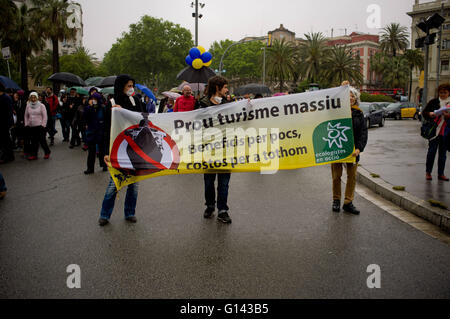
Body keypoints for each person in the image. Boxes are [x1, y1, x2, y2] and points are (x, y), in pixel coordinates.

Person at [98, 74, 144, 227]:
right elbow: (105, 130)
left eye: (132, 85)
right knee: (114, 183)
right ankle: (105, 214)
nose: (131, 89)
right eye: (128, 86)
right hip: (118, 149)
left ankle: (130, 212)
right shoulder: (111, 103)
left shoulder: (136, 101)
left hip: (134, 148)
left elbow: (144, 120)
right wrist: (105, 151)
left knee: (134, 184)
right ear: (121, 86)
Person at [199, 75, 232, 224]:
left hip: (226, 149)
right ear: (217, 88)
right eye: (225, 87)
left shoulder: (229, 105)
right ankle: (210, 206)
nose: (227, 90)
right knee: (209, 181)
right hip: (209, 150)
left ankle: (223, 210)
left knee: (224, 183)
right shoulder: (202, 104)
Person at [331, 86, 368, 215]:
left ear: (356, 99)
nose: (350, 98)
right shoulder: (337, 110)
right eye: (348, 96)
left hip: (353, 151)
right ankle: (336, 200)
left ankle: (348, 202)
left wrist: (359, 148)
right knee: (336, 176)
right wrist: (342, 87)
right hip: (338, 148)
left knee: (351, 177)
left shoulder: (359, 113)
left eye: (352, 96)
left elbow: (363, 132)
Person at [423, 83, 450, 181]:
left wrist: (448, 116)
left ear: (449, 93)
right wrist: (430, 114)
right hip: (434, 132)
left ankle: (441, 174)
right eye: (441, 92)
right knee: (431, 152)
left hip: (446, 132)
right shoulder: (433, 102)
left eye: (445, 92)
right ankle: (428, 173)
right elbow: (424, 113)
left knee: (443, 154)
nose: (442, 94)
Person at [83, 93, 107, 175]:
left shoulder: (103, 108)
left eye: (95, 99)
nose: (93, 101)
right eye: (92, 99)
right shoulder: (89, 108)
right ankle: (90, 168)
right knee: (91, 151)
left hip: (101, 132)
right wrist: (89, 107)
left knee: (102, 150)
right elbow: (85, 117)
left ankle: (104, 165)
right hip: (92, 132)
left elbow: (106, 119)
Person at [24, 92, 51, 160]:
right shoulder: (28, 106)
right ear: (30, 98)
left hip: (40, 126)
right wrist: (26, 124)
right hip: (31, 126)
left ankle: (47, 152)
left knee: (42, 141)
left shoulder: (41, 105)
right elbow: (26, 116)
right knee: (33, 141)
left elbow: (45, 116)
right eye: (32, 97)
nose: (33, 99)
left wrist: (43, 125)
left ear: (37, 98)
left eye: (34, 97)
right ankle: (34, 155)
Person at [0, 82, 15, 164]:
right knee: (4, 140)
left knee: (5, 140)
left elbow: (9, 112)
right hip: (2, 122)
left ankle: (7, 156)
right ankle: (8, 156)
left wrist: (10, 123)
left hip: (4, 122)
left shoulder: (6, 98)